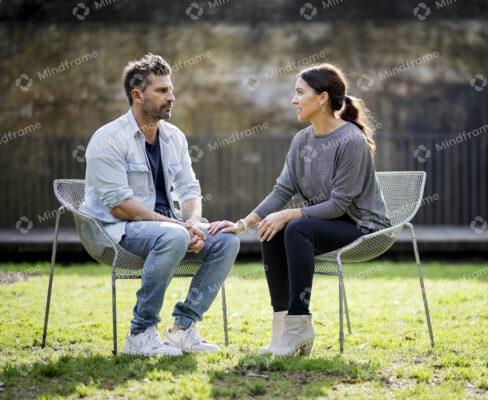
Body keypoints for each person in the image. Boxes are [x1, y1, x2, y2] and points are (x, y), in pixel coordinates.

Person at [208, 63, 391, 356]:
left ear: (322, 98)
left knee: (295, 225)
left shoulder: (350, 140)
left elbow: (339, 204)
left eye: (299, 92)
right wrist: (244, 224)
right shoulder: (302, 140)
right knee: (272, 230)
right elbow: (282, 190)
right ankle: (282, 332)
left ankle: (299, 327)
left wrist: (290, 214)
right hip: (325, 223)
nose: (293, 100)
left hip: (362, 226)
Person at [80, 54, 240, 356]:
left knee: (227, 239)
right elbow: (119, 206)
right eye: (162, 91)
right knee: (174, 235)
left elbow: (190, 188)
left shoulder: (173, 137)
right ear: (137, 95)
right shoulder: (108, 139)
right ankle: (140, 333)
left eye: (171, 89)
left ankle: (183, 328)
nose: (171, 97)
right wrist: (177, 227)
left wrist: (192, 221)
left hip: (170, 228)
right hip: (118, 231)